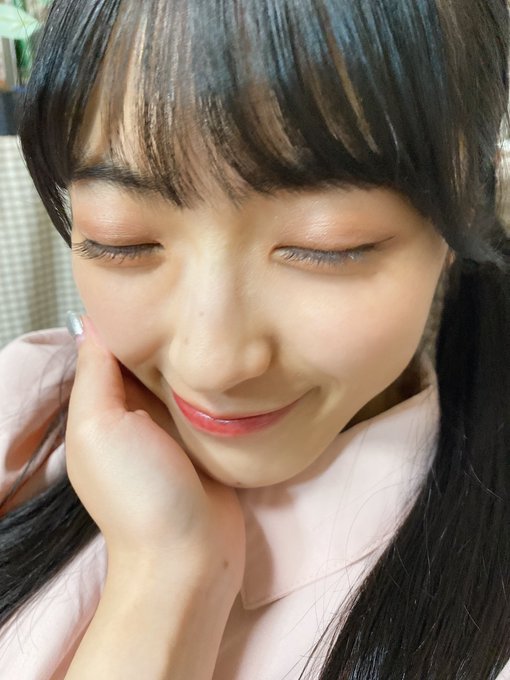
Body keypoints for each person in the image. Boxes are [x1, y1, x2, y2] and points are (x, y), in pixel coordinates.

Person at [0, 0, 509, 677]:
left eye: (327, 246)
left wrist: (167, 583)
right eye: (122, 240)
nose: (213, 364)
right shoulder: (25, 411)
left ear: (464, 204)